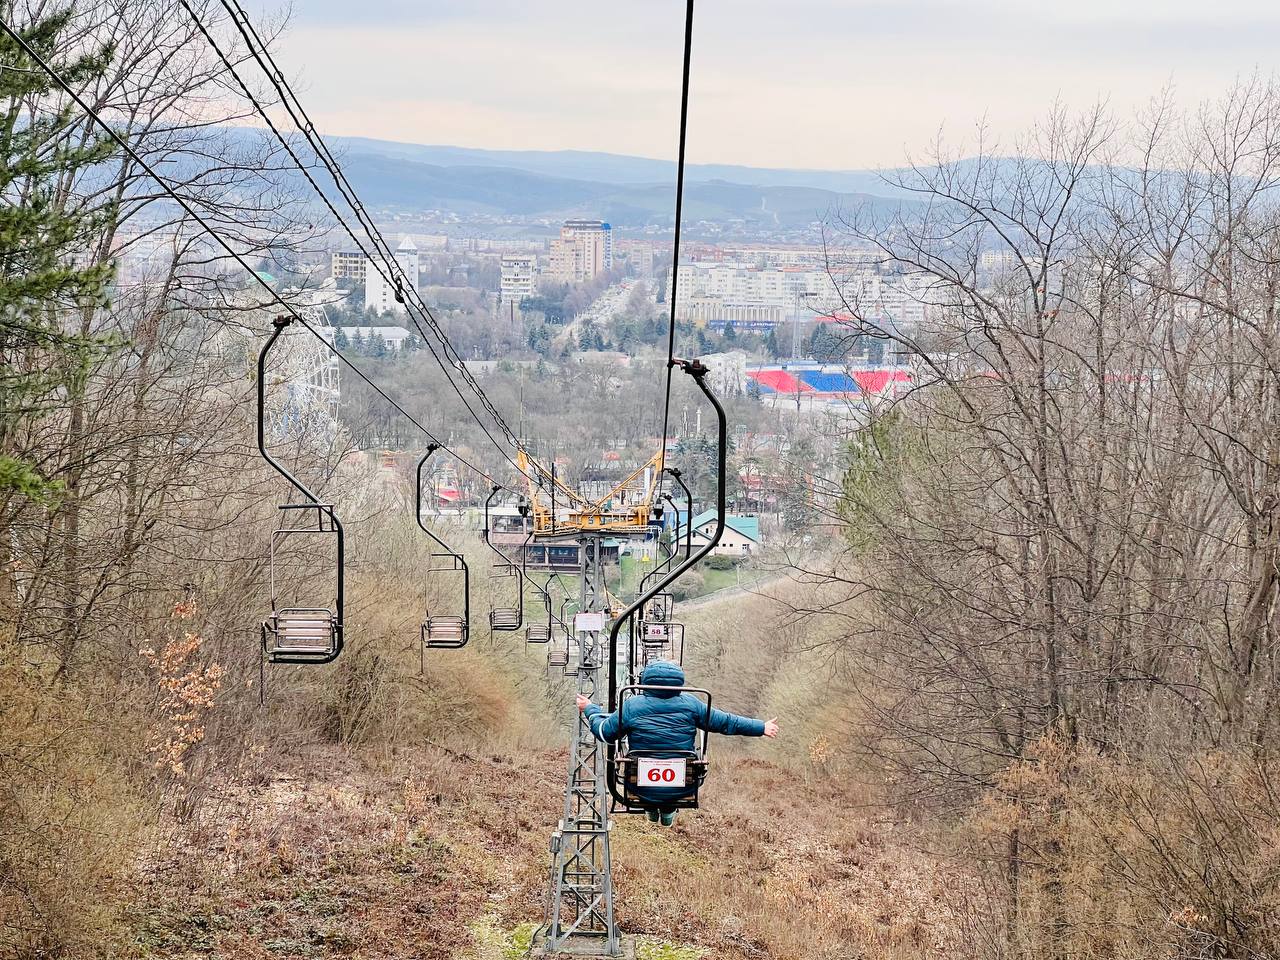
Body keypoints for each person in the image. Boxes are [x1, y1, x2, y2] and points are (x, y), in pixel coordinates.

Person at [576, 659, 779, 826]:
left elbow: (604, 733)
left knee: (643, 778)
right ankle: (667, 811)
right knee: (672, 784)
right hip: (684, 786)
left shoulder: (632, 706)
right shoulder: (692, 704)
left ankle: (650, 808)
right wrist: (760, 727)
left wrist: (590, 709)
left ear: (646, 680)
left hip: (638, 786)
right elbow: (726, 722)